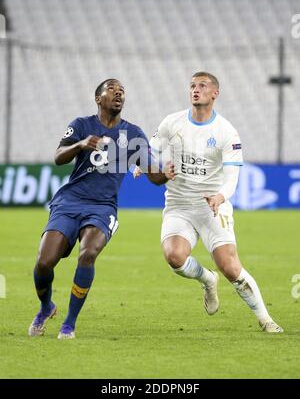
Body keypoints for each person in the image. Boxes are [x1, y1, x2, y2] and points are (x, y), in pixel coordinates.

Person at [137, 71, 283, 333]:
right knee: (174, 256)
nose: (196, 90)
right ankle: (206, 279)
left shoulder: (226, 132)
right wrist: (144, 166)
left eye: (202, 86)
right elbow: (151, 148)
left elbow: (232, 177)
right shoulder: (173, 122)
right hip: (179, 204)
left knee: (230, 267)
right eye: (192, 85)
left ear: (215, 93)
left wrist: (220, 196)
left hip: (212, 206)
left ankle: (265, 319)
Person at [28, 78, 174, 340]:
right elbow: (59, 156)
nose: (118, 94)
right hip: (69, 202)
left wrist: (166, 175)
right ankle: (46, 307)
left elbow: (153, 175)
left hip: (102, 206)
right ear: (98, 98)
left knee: (88, 253)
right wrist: (81, 144)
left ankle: (69, 324)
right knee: (44, 262)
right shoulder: (82, 125)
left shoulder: (134, 135)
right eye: (112, 90)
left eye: (122, 92)